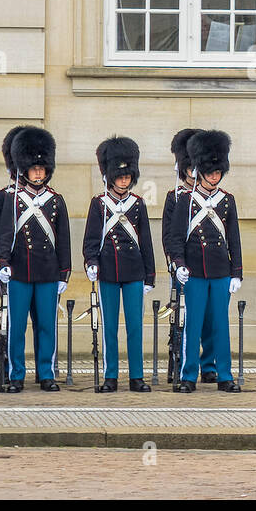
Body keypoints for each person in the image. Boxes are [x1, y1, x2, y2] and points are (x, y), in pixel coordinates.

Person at [0, 126, 71, 392]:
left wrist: (64, 273)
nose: (38, 172)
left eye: (42, 168)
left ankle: (46, 372)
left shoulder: (55, 200)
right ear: (24, 169)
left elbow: (63, 239)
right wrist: (2, 263)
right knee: (17, 329)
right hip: (19, 272)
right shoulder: (13, 198)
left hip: (47, 273)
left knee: (46, 327)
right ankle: (17, 374)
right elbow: (4, 234)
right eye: (33, 168)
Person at [166, 129, 242, 393]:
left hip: (220, 272)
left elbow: (234, 238)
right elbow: (175, 238)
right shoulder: (185, 200)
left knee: (221, 326)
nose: (214, 176)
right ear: (200, 170)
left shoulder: (227, 201)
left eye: (217, 171)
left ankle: (224, 375)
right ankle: (188, 375)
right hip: (195, 273)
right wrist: (179, 264)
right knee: (192, 326)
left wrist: (237, 272)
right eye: (210, 172)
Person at [84, 136, 157, 392]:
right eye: (120, 176)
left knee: (135, 327)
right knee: (110, 329)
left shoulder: (137, 204)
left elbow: (145, 242)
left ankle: (137, 376)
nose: (124, 180)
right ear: (110, 175)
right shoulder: (99, 204)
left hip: (134, 272)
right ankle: (110, 376)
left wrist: (150, 276)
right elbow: (91, 239)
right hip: (109, 272)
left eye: (128, 176)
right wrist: (91, 262)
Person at [161, 128, 219, 385]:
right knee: (186, 323)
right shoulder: (175, 197)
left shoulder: (216, 197)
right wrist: (176, 266)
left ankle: (209, 364)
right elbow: (169, 236)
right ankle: (187, 365)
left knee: (209, 320)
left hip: (210, 269)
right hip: (185, 268)